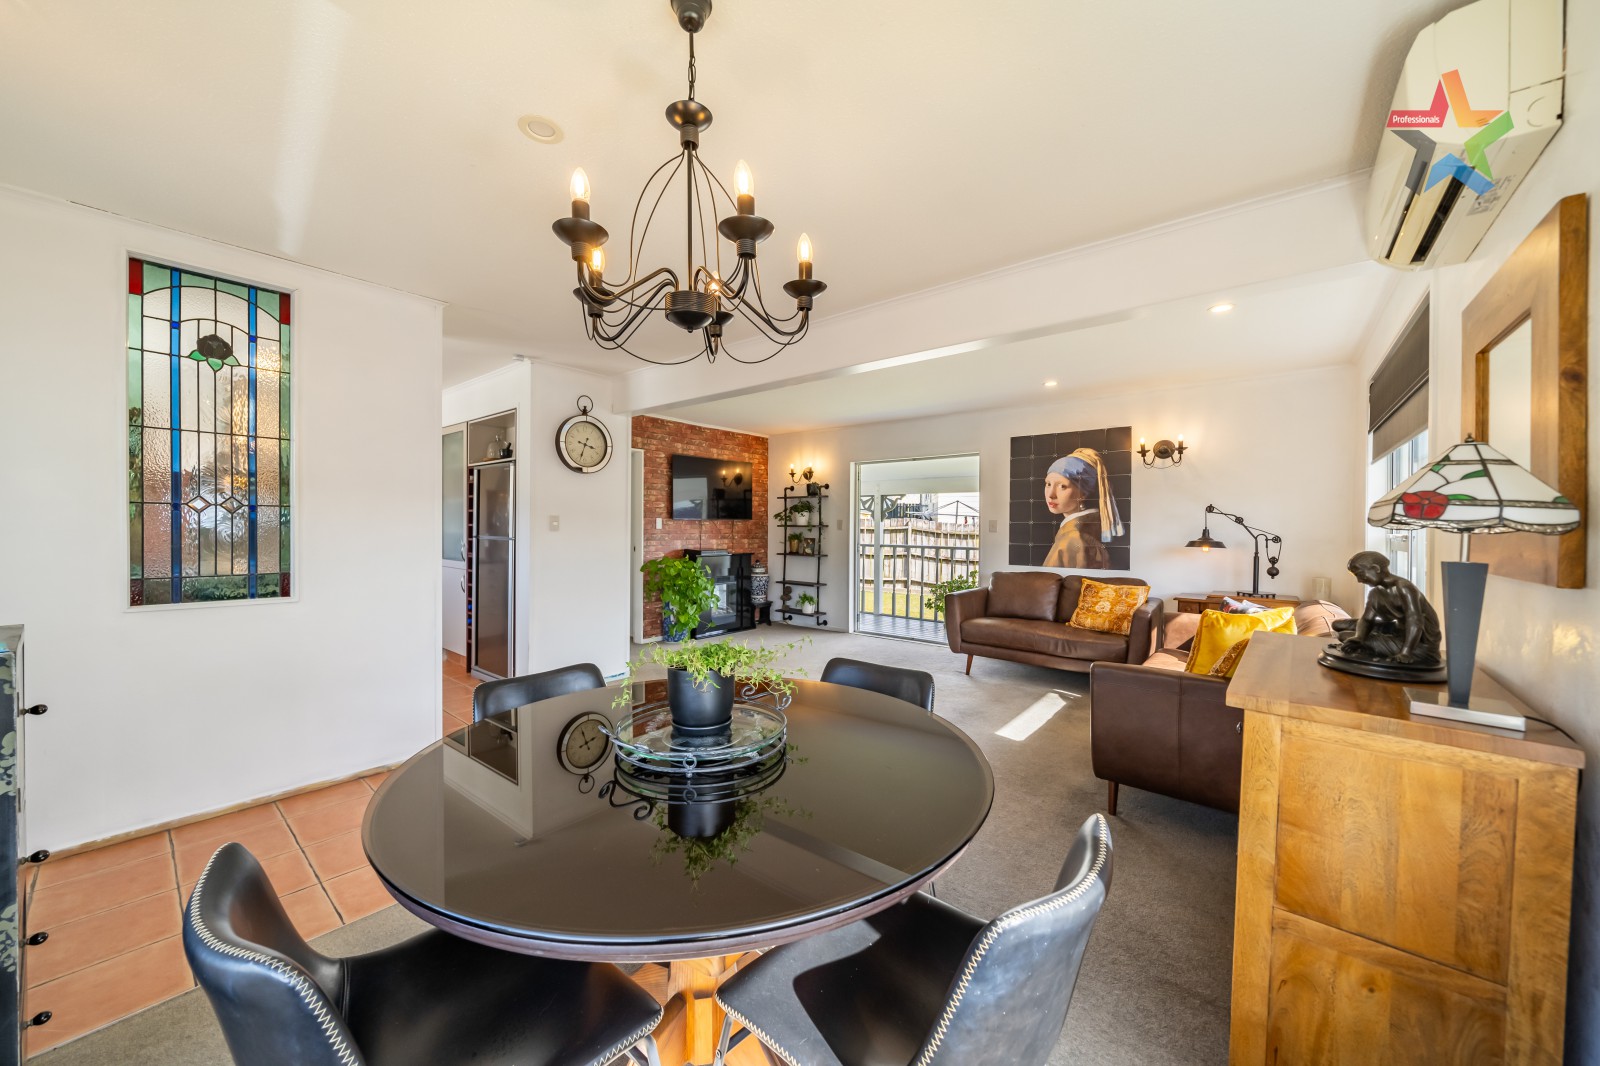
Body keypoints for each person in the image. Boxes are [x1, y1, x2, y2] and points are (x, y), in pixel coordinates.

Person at [1331, 550, 1441, 666]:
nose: (1359, 580)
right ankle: (1365, 639)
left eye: (1360, 574)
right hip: (1397, 629)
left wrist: (1405, 652)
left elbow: (1415, 621)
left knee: (1344, 636)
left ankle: (1381, 645)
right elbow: (1366, 620)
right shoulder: (1375, 593)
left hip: (1419, 644)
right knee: (1338, 625)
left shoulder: (1404, 587)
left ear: (1375, 568)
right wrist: (1359, 637)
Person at [1041, 448, 1123, 569]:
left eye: (1062, 486)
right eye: (1048, 484)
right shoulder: (1087, 530)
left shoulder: (1073, 538)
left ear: (1083, 493)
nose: (1051, 494)